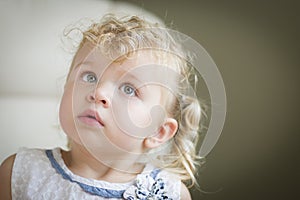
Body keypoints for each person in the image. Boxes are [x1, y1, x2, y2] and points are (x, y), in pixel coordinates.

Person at [0, 14, 203, 199]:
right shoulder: (20, 172)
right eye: (89, 77)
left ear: (158, 131)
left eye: (129, 89)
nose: (98, 93)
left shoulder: (170, 193)